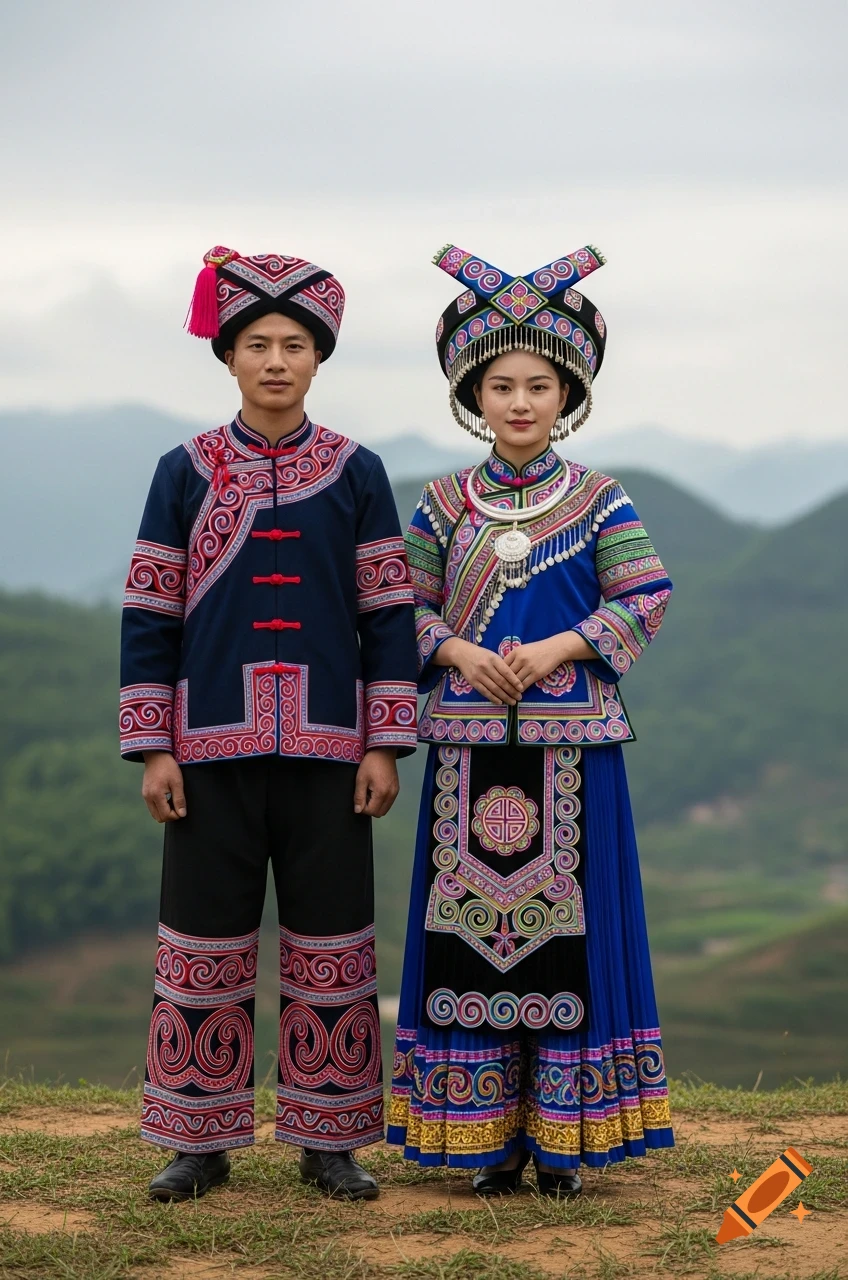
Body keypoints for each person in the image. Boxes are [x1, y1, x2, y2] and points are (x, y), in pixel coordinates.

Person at [120, 246, 418, 1202]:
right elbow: (150, 609)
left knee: (334, 939)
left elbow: (388, 613)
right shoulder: (184, 470)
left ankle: (329, 1140)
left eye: (295, 343)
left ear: (320, 358)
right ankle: (198, 1140)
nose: (277, 360)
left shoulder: (358, 472)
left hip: (334, 750)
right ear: (230, 355)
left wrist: (383, 741)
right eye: (258, 343)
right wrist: (153, 745)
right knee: (203, 937)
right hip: (207, 748)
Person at [387, 243, 675, 1195]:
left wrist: (558, 650)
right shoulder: (438, 506)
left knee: (571, 934)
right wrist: (458, 651)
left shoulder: (601, 499)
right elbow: (403, 612)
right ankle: (481, 1141)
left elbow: (646, 595)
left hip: (575, 748)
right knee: (471, 929)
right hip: (468, 747)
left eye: (539, 385)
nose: (519, 402)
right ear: (474, 396)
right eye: (500, 385)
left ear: (568, 395)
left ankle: (564, 1142)